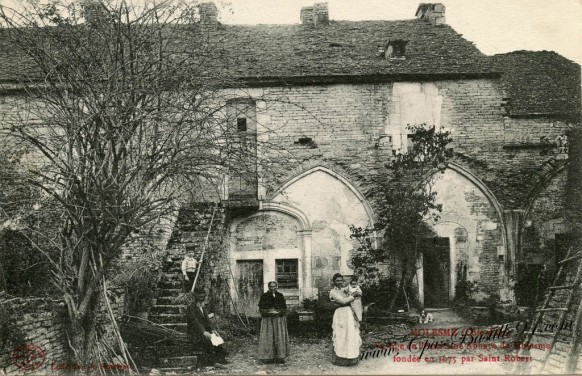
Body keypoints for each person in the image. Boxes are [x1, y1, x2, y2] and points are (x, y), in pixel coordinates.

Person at [185, 287, 228, 368]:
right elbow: (195, 322)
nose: (201, 299)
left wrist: (213, 330)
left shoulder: (203, 307)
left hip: (204, 331)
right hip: (194, 333)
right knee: (207, 339)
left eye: (203, 297)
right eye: (199, 297)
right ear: (195, 297)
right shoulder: (191, 308)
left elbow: (208, 321)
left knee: (216, 337)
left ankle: (221, 359)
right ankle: (212, 362)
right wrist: (203, 331)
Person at [329, 273, 362, 366]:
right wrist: (354, 295)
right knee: (341, 335)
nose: (339, 282)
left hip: (349, 314)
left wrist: (355, 291)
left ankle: (351, 357)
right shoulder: (333, 292)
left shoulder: (344, 290)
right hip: (340, 314)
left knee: (350, 334)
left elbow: (356, 290)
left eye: (341, 280)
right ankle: (340, 357)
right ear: (334, 282)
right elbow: (343, 301)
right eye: (337, 281)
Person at [258, 281, 289, 363]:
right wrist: (267, 313)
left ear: (276, 287)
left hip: (278, 319)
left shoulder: (280, 295)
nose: (273, 288)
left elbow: (284, 307)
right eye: (271, 286)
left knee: (279, 337)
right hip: (268, 320)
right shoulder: (264, 296)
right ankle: (267, 357)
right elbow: (261, 308)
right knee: (268, 337)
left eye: (274, 286)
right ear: (268, 287)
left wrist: (280, 312)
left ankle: (280, 357)